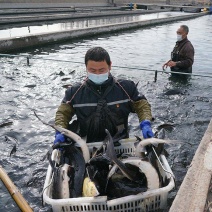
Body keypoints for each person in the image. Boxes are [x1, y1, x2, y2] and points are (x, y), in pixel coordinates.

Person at [54, 47, 154, 145]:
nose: (97, 74)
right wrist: (59, 131)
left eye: (101, 70)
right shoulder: (74, 92)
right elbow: (63, 113)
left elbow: (142, 105)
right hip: (86, 144)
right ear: (86, 68)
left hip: (119, 143)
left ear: (110, 66)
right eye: (92, 70)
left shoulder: (126, 88)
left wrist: (146, 123)